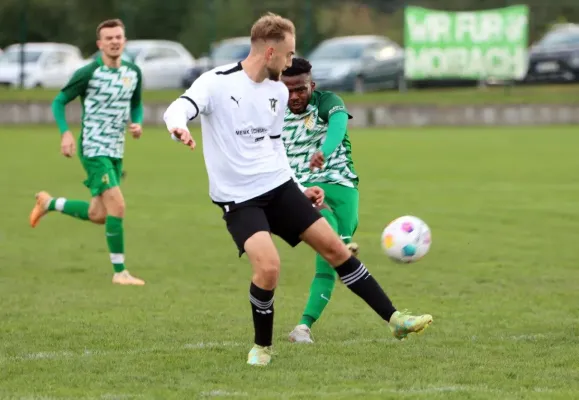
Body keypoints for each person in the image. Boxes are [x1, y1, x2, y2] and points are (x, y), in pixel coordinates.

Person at [163, 12, 433, 367]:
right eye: (289, 55)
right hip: (239, 199)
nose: (292, 63)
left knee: (336, 249)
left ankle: (395, 320)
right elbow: (178, 108)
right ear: (271, 51)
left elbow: (275, 149)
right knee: (269, 268)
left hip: (279, 187)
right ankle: (262, 346)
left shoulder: (276, 90)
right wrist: (178, 127)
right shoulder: (216, 82)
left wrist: (300, 187)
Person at [29, 18, 145, 286]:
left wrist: (136, 123)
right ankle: (120, 272)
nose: (115, 41)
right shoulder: (89, 72)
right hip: (93, 147)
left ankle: (49, 203)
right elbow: (59, 102)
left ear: (124, 41)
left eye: (118, 37)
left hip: (116, 149)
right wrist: (65, 133)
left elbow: (136, 104)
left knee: (99, 214)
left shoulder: (133, 72)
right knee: (118, 206)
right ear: (100, 44)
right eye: (109, 38)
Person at [281, 57, 362, 343]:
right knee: (331, 241)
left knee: (332, 260)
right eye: (288, 90)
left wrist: (324, 151)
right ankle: (304, 327)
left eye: (300, 89)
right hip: (305, 188)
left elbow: (338, 126)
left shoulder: (328, 101)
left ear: (311, 86)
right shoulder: (272, 112)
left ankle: (303, 328)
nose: (294, 96)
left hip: (343, 185)